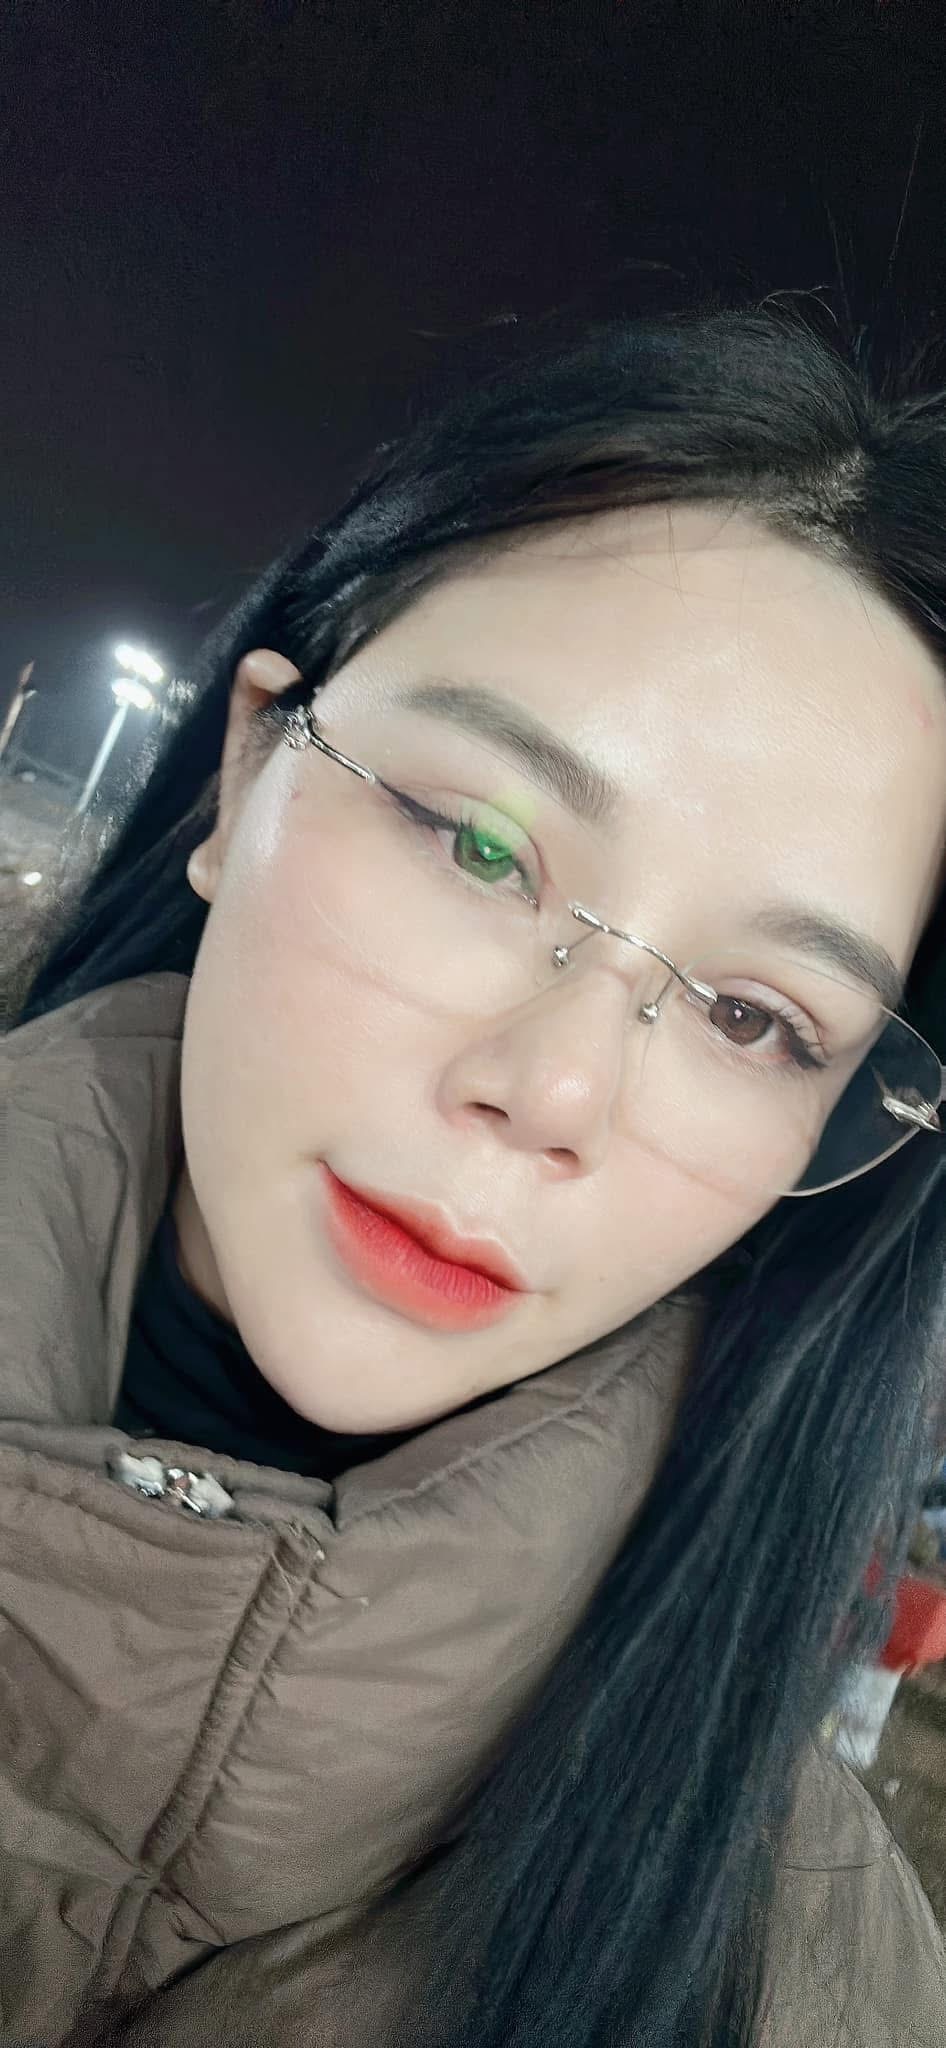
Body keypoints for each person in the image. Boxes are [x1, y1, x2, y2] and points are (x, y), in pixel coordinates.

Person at [3, 300, 946, 2048]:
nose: (554, 1088)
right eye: (483, 847)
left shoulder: (806, 1982)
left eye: (750, 1017)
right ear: (245, 770)